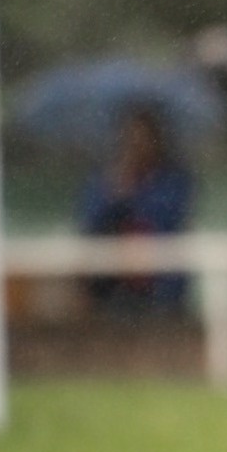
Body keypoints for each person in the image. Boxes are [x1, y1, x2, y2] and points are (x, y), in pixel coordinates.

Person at [77, 104, 194, 312]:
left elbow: (167, 219)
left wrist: (135, 191)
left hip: (160, 286)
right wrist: (115, 193)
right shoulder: (105, 180)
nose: (137, 144)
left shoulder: (173, 180)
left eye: (143, 137)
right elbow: (89, 224)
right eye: (131, 137)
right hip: (113, 285)